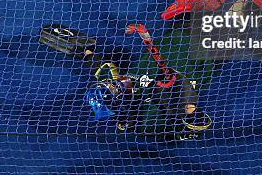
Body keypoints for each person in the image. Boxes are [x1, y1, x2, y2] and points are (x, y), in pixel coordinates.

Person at [39, 23, 212, 140]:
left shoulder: (124, 90)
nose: (113, 83)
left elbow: (103, 70)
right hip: (187, 52)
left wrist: (86, 51)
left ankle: (86, 51)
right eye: (113, 87)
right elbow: (186, 102)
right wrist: (168, 83)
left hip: (147, 79)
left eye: (110, 84)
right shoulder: (169, 107)